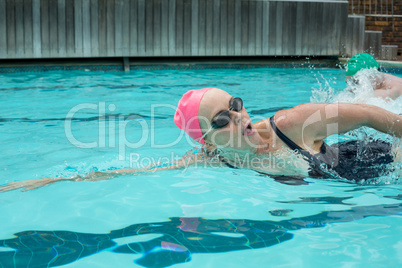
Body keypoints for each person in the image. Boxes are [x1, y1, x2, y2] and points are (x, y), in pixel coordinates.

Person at [1, 87, 402, 192]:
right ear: (208, 143)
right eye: (222, 119)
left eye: (235, 104)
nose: (239, 116)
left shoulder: (292, 124)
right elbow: (124, 173)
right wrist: (40, 182)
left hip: (371, 160)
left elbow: (367, 115)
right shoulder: (215, 161)